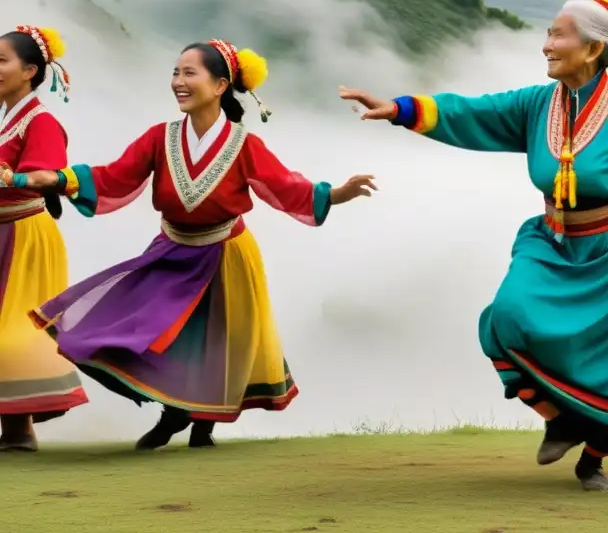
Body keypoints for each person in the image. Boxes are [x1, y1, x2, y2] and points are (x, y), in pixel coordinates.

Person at [340, 0, 608, 491]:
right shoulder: (535, 104)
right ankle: (559, 418)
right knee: (506, 318)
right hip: (553, 238)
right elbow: (470, 113)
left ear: (592, 49)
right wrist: (397, 108)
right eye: (547, 33)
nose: (546, 44)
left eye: (558, 35)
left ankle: (593, 461)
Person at [12, 39, 376, 450]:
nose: (178, 82)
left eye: (189, 73)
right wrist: (60, 179)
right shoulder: (159, 138)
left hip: (226, 253)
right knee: (152, 331)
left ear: (220, 85)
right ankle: (175, 412)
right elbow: (115, 176)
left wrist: (337, 194)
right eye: (175, 73)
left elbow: (284, 185)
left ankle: (202, 424)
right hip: (172, 250)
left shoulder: (243, 144)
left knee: (218, 341)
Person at [0, 25, 87, 451]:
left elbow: (47, 174)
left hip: (22, 236)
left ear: (29, 70)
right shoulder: (5, 118)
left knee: (15, 332)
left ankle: (18, 429)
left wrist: (13, 177)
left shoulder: (42, 121)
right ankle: (15, 429)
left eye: (2, 61)